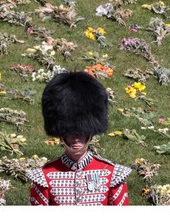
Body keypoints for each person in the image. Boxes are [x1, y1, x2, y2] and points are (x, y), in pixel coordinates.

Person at [26, 71, 132, 205]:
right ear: (61, 135)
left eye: (82, 132)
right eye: (69, 132)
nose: (76, 138)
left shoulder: (112, 174)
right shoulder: (44, 176)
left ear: (91, 134)